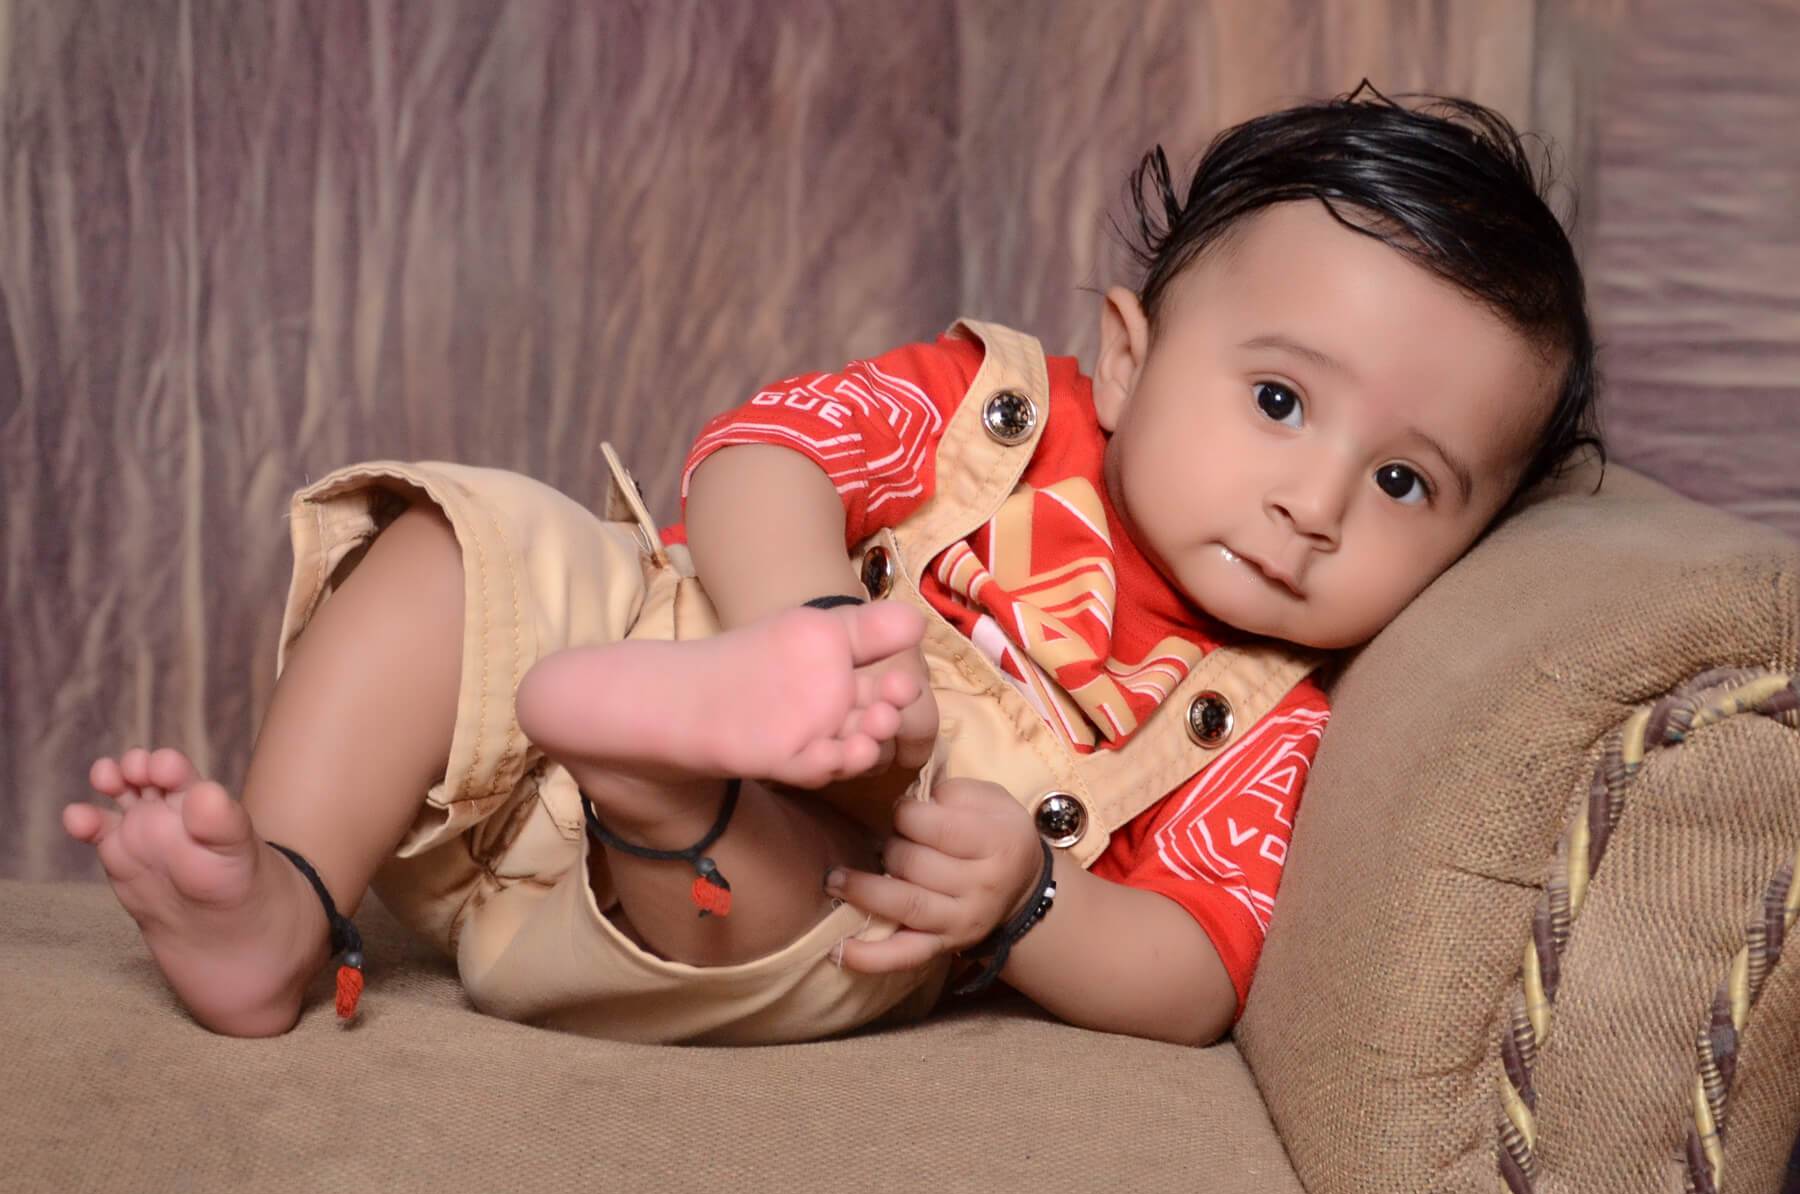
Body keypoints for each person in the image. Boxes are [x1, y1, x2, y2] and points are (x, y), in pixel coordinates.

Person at [62, 86, 1601, 1047]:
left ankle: (663, 770)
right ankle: (282, 899)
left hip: (793, 876)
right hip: (665, 631)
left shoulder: (1274, 718)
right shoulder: (995, 407)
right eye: (1277, 401)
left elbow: (1198, 969)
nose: (1314, 502)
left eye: (1406, 481)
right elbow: (761, 452)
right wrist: (806, 626)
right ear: (1130, 359)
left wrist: (1028, 903)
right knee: (456, 551)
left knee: (820, 896)